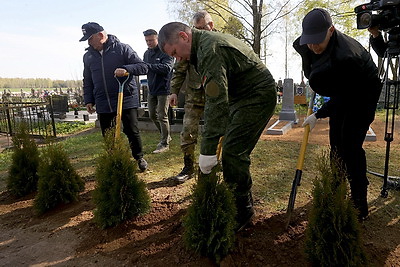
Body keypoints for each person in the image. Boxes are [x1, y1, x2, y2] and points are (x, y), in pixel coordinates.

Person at [158, 22, 276, 231]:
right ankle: (232, 198)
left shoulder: (209, 50)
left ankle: (243, 210)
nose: (178, 59)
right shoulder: (200, 47)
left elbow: (216, 101)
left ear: (184, 37)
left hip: (257, 94)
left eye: (175, 52)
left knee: (233, 151)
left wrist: (207, 150)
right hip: (239, 96)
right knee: (231, 148)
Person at [294, 9, 382, 220]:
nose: (313, 46)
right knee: (336, 142)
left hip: (362, 95)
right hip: (342, 87)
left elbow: (345, 98)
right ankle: (336, 188)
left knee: (350, 146)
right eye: (310, 41)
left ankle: (359, 203)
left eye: (318, 41)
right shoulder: (309, 44)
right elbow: (315, 69)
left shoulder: (348, 56)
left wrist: (318, 114)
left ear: (331, 31)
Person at [80, 22, 148, 171]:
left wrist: (125, 69)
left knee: (131, 130)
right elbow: (88, 79)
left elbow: (142, 66)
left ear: (101, 35)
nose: (89, 42)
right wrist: (89, 99)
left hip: (125, 97)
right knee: (108, 133)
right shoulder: (88, 56)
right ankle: (114, 158)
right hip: (103, 100)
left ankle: (139, 157)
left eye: (90, 38)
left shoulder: (122, 49)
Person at [169, 10, 215, 184]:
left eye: (202, 27)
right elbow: (179, 69)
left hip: (215, 94)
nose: (199, 32)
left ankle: (216, 162)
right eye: (196, 28)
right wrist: (174, 91)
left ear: (211, 25)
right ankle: (188, 166)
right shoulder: (187, 44)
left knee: (217, 129)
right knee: (187, 131)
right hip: (194, 93)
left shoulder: (218, 42)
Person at [143, 29, 174, 153]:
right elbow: (144, 67)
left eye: (151, 40)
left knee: (162, 115)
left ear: (157, 39)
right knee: (152, 115)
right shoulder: (146, 54)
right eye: (146, 41)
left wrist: (149, 67)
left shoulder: (165, 51)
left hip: (164, 89)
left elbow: (167, 68)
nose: (149, 43)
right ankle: (166, 135)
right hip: (152, 89)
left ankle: (164, 143)